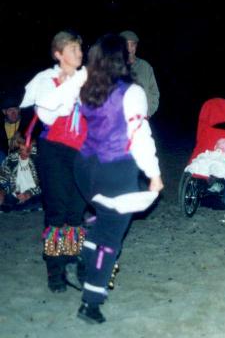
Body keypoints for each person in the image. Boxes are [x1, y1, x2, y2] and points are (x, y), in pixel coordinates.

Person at [73, 34, 163, 324]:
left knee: (101, 216)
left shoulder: (86, 88)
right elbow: (140, 136)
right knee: (110, 236)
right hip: (114, 170)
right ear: (121, 59)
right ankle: (91, 301)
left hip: (84, 167)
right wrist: (154, 175)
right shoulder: (131, 92)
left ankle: (86, 255)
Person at [20, 30, 88, 293]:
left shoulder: (86, 80)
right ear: (58, 54)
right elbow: (47, 112)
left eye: (80, 49)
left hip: (83, 152)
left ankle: (70, 262)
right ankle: (55, 270)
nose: (79, 54)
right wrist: (73, 83)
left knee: (76, 212)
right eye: (73, 49)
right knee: (57, 211)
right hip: (55, 151)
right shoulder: (46, 79)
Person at [119, 30, 160, 118]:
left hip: (141, 120)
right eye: (126, 45)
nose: (129, 49)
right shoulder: (113, 67)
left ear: (136, 46)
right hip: (118, 122)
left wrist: (148, 112)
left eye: (132, 44)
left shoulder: (146, 67)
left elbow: (154, 93)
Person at [0, 133, 42, 212]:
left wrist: (29, 193)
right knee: (7, 200)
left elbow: (45, 183)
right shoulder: (11, 159)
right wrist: (2, 191)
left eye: (30, 146)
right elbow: (2, 179)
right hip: (15, 196)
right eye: (23, 148)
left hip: (35, 194)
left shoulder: (37, 158)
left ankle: (21, 207)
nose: (28, 149)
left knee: (41, 200)